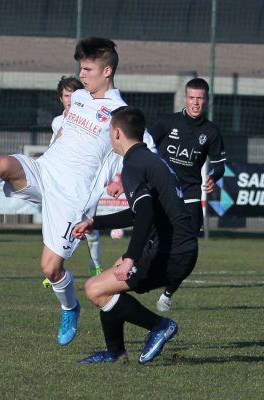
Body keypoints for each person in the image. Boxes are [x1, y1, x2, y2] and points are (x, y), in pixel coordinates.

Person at [0, 37, 129, 347]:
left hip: (72, 197)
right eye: (81, 68)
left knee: (50, 267)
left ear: (108, 70)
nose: (82, 75)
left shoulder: (121, 112)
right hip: (45, 171)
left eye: (88, 69)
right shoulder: (78, 97)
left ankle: (69, 307)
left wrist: (123, 179)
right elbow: (65, 132)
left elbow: (138, 150)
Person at [71, 106, 198, 364]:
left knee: (94, 289)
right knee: (105, 288)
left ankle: (159, 326)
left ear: (117, 133)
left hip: (169, 251)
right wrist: (95, 222)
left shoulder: (133, 165)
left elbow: (146, 213)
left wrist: (131, 257)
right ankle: (115, 353)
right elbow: (138, 213)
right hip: (179, 247)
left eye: (109, 133)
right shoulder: (150, 159)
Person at [148, 77, 226, 312]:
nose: (195, 103)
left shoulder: (211, 132)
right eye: (192, 97)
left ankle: (168, 294)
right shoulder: (167, 122)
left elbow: (220, 164)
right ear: (185, 98)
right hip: (162, 191)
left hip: (190, 194)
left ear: (207, 100)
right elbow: (143, 146)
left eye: (200, 98)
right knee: (153, 241)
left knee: (189, 247)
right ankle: (142, 272)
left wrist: (214, 177)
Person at [42, 75, 103, 289]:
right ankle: (54, 267)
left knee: (88, 224)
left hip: (85, 183)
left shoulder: (90, 118)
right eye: (66, 95)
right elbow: (54, 148)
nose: (69, 99)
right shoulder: (58, 122)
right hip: (61, 184)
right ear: (61, 98)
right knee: (58, 225)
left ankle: (95, 264)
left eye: (73, 95)